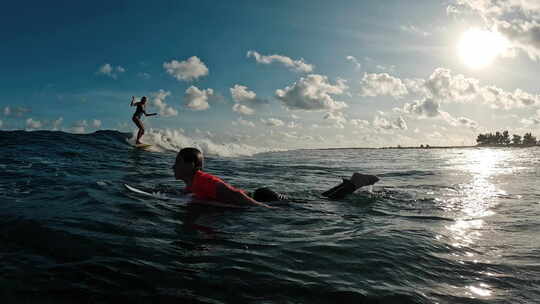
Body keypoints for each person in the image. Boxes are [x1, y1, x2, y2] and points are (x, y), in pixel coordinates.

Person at [172, 147, 380, 208]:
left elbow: (231, 193)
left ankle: (354, 183)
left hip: (263, 198)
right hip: (260, 195)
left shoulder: (203, 180)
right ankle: (351, 183)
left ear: (191, 165)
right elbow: (191, 193)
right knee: (316, 200)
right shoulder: (193, 182)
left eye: (177, 161)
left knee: (318, 203)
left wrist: (261, 208)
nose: (173, 166)